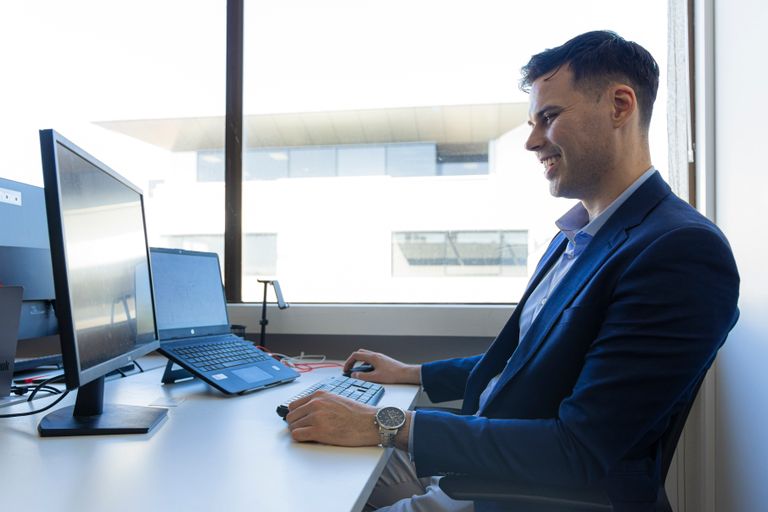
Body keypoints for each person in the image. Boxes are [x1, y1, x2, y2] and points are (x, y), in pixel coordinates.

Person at [284, 30, 740, 512]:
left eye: (549, 118)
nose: (531, 141)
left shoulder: (680, 251)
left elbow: (579, 451)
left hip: (520, 494)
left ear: (620, 106)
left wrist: (385, 424)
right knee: (299, 467)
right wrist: (411, 373)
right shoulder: (579, 235)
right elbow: (528, 363)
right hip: (475, 467)